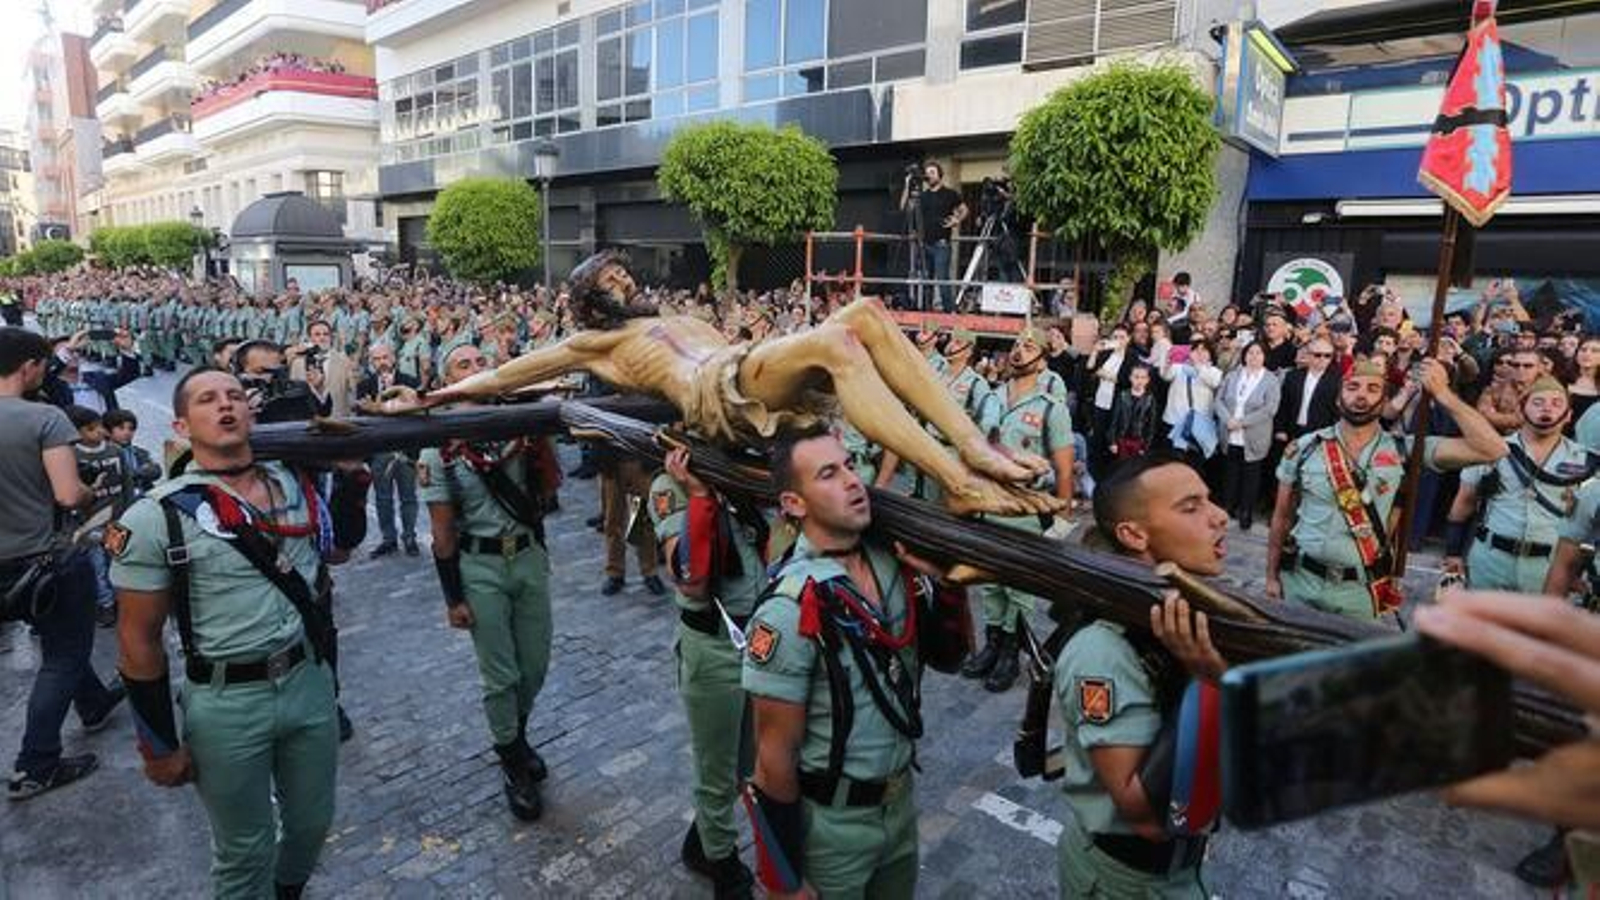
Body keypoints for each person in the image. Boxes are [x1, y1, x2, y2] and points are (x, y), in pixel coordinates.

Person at [112, 367, 367, 898]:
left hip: (307, 682)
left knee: (311, 825)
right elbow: (138, 640)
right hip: (226, 703)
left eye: (234, 396)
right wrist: (158, 745)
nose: (225, 405)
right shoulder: (156, 517)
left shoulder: (292, 485)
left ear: (251, 412)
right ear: (182, 426)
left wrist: (351, 482)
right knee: (244, 851)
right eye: (207, 400)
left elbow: (339, 551)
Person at [741, 427, 951, 899]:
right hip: (831, 831)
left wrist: (944, 584)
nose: (854, 481)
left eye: (851, 466)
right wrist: (784, 879)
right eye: (828, 474)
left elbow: (950, 658)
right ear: (794, 503)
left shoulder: (892, 561)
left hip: (899, 808)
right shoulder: (788, 608)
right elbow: (773, 756)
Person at [1049, 454, 1233, 898]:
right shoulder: (1103, 651)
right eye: (1191, 507)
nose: (1220, 516)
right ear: (1133, 535)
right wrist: (1211, 685)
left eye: (1209, 499)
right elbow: (1147, 817)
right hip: (1127, 883)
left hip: (1181, 871)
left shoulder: (1177, 612)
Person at [417, 343, 557, 821]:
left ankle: (517, 736)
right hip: (480, 566)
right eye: (464, 364)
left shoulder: (519, 425)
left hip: (528, 557)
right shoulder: (438, 449)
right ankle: (512, 760)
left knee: (535, 665)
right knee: (501, 675)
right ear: (448, 382)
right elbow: (441, 533)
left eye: (482, 362)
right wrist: (452, 597)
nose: (477, 368)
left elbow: (545, 489)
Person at [1267, 359, 1507, 620]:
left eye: (1373, 389)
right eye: (1353, 387)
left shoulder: (1405, 450)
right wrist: (1271, 576)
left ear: (1384, 403)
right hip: (1299, 582)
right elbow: (1281, 517)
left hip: (1359, 592)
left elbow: (1493, 449)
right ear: (1338, 399)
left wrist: (1443, 393)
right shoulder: (1304, 448)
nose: (1361, 395)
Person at [1, 329, 124, 800]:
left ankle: (94, 703)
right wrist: (90, 489)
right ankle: (37, 763)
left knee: (62, 644)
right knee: (63, 655)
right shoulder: (44, 417)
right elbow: (69, 495)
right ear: (29, 367)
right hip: (43, 558)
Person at [647, 447, 765, 899]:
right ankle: (722, 864)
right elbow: (691, 578)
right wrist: (699, 496)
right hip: (714, 649)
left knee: (746, 763)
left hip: (757, 645)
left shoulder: (740, 477)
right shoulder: (668, 487)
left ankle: (701, 842)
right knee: (717, 769)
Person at [964, 329, 1074, 692]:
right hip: (988, 504)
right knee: (989, 581)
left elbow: (1064, 468)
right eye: (1015, 345)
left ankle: (1011, 652)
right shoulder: (991, 398)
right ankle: (993, 643)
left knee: (1018, 585)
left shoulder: (1051, 407)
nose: (1018, 351)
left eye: (1029, 346)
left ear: (1042, 361)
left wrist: (1062, 518)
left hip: (1025, 508)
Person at [1445, 377, 1595, 594]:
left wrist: (1577, 570)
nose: (1547, 408)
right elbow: (1464, 502)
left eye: (1556, 403)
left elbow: (1589, 522)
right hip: (1490, 560)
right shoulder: (1491, 449)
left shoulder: (1584, 461)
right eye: (1538, 402)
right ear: (1521, 410)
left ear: (1569, 415)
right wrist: (1453, 553)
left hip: (1547, 568)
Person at [357, 343, 421, 558]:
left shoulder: (410, 382)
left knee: (408, 496)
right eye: (376, 359)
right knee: (382, 498)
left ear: (393, 358)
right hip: (379, 450)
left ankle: (410, 537)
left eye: (385, 357)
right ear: (371, 362)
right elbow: (362, 420)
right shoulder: (364, 386)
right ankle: (388, 539)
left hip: (405, 448)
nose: (382, 362)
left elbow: (418, 415)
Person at [1213, 342, 1280, 531]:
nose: (1254, 356)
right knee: (1230, 473)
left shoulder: (1271, 380)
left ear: (1265, 356)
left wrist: (1242, 422)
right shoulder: (1233, 375)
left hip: (1253, 435)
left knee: (1251, 476)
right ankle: (1228, 507)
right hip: (1230, 432)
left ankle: (1246, 511)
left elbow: (1270, 409)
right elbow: (1218, 400)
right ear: (1244, 355)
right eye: (1250, 352)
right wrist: (1228, 419)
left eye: (1259, 353)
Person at [899, 162, 967, 313]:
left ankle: (949, 312)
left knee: (942, 279)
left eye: (932, 172)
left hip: (941, 244)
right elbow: (903, 207)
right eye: (927, 172)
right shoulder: (922, 196)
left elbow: (964, 210)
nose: (929, 175)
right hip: (924, 244)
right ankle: (927, 311)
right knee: (926, 280)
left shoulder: (950, 194)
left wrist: (957, 220)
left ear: (939, 175)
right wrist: (907, 185)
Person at [1274, 337, 1340, 446]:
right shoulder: (1293, 376)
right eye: (1317, 355)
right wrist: (1280, 429)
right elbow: (1283, 405)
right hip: (1292, 432)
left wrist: (1331, 436)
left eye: (1327, 355)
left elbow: (1337, 413)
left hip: (1320, 435)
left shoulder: (1337, 381)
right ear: (1308, 355)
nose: (1322, 358)